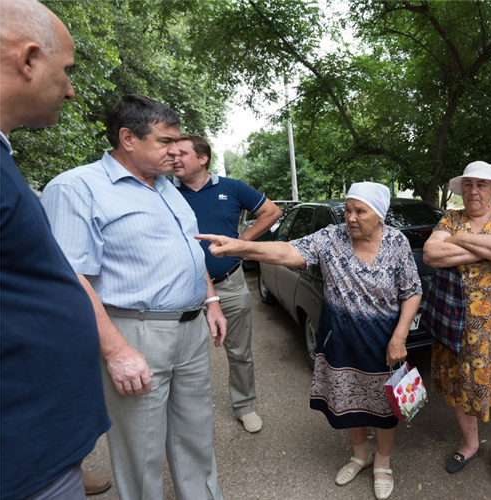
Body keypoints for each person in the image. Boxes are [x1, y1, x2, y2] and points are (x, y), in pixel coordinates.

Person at [40, 95, 227, 500]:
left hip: (191, 331)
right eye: (165, 141)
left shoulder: (167, 188)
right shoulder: (76, 188)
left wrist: (210, 301)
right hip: (134, 334)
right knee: (140, 451)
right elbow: (72, 279)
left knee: (196, 434)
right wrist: (116, 352)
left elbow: (190, 249)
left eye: (178, 142)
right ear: (127, 138)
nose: (176, 151)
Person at [197, 182, 422, 500]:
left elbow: (412, 291)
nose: (351, 218)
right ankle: (361, 455)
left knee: (384, 408)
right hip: (339, 341)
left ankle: (382, 463)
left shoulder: (396, 242)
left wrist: (399, 337)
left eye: (360, 211)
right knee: (346, 404)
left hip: (384, 343)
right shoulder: (332, 238)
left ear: (380, 214)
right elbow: (287, 251)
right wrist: (238, 247)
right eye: (348, 210)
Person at [0, 1, 111, 498]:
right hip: (23, 459)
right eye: (65, 70)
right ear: (27, 60)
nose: (69, 88)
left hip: (39, 449)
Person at [423, 161, 491, 493]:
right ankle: (469, 445)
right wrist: (488, 247)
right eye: (468, 184)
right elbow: (431, 254)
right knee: (458, 388)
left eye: (482, 185)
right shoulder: (450, 217)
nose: (474, 191)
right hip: (456, 324)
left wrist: (459, 240)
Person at [173, 133, 281, 433]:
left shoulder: (231, 188)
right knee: (185, 356)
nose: (174, 158)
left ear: (202, 158)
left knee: (239, 352)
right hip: (184, 288)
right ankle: (188, 415)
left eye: (181, 153)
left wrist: (242, 241)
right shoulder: (164, 192)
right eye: (172, 153)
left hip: (230, 284)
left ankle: (245, 406)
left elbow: (272, 212)